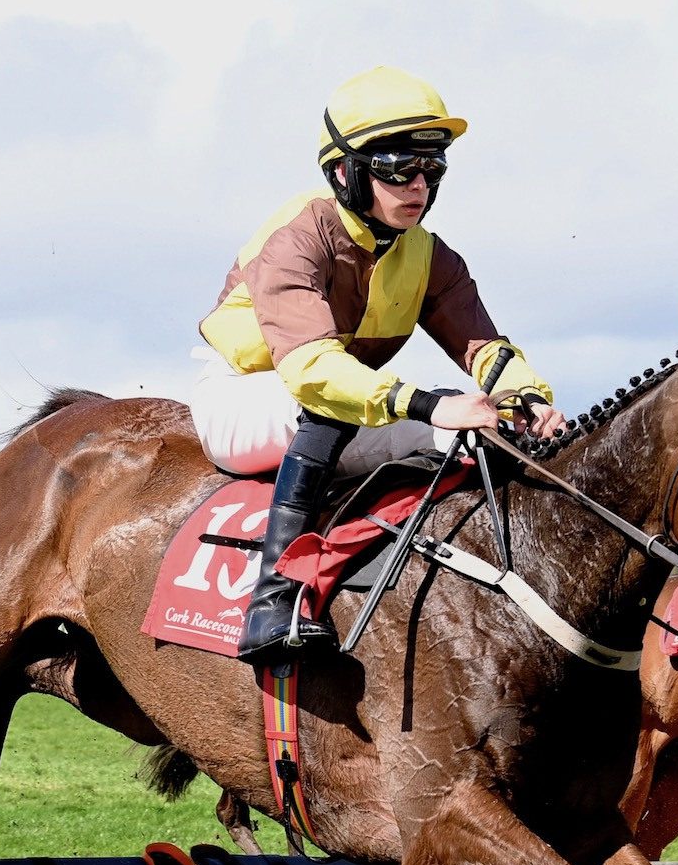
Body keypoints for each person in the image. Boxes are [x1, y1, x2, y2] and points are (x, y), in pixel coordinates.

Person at [192, 66, 567, 662]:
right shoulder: (297, 235)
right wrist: (430, 404)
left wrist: (527, 398)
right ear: (345, 171)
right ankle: (273, 601)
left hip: (345, 405)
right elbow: (313, 372)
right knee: (337, 409)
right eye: (398, 168)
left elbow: (485, 348)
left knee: (485, 433)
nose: (418, 185)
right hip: (247, 399)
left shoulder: (431, 256)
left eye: (432, 168)